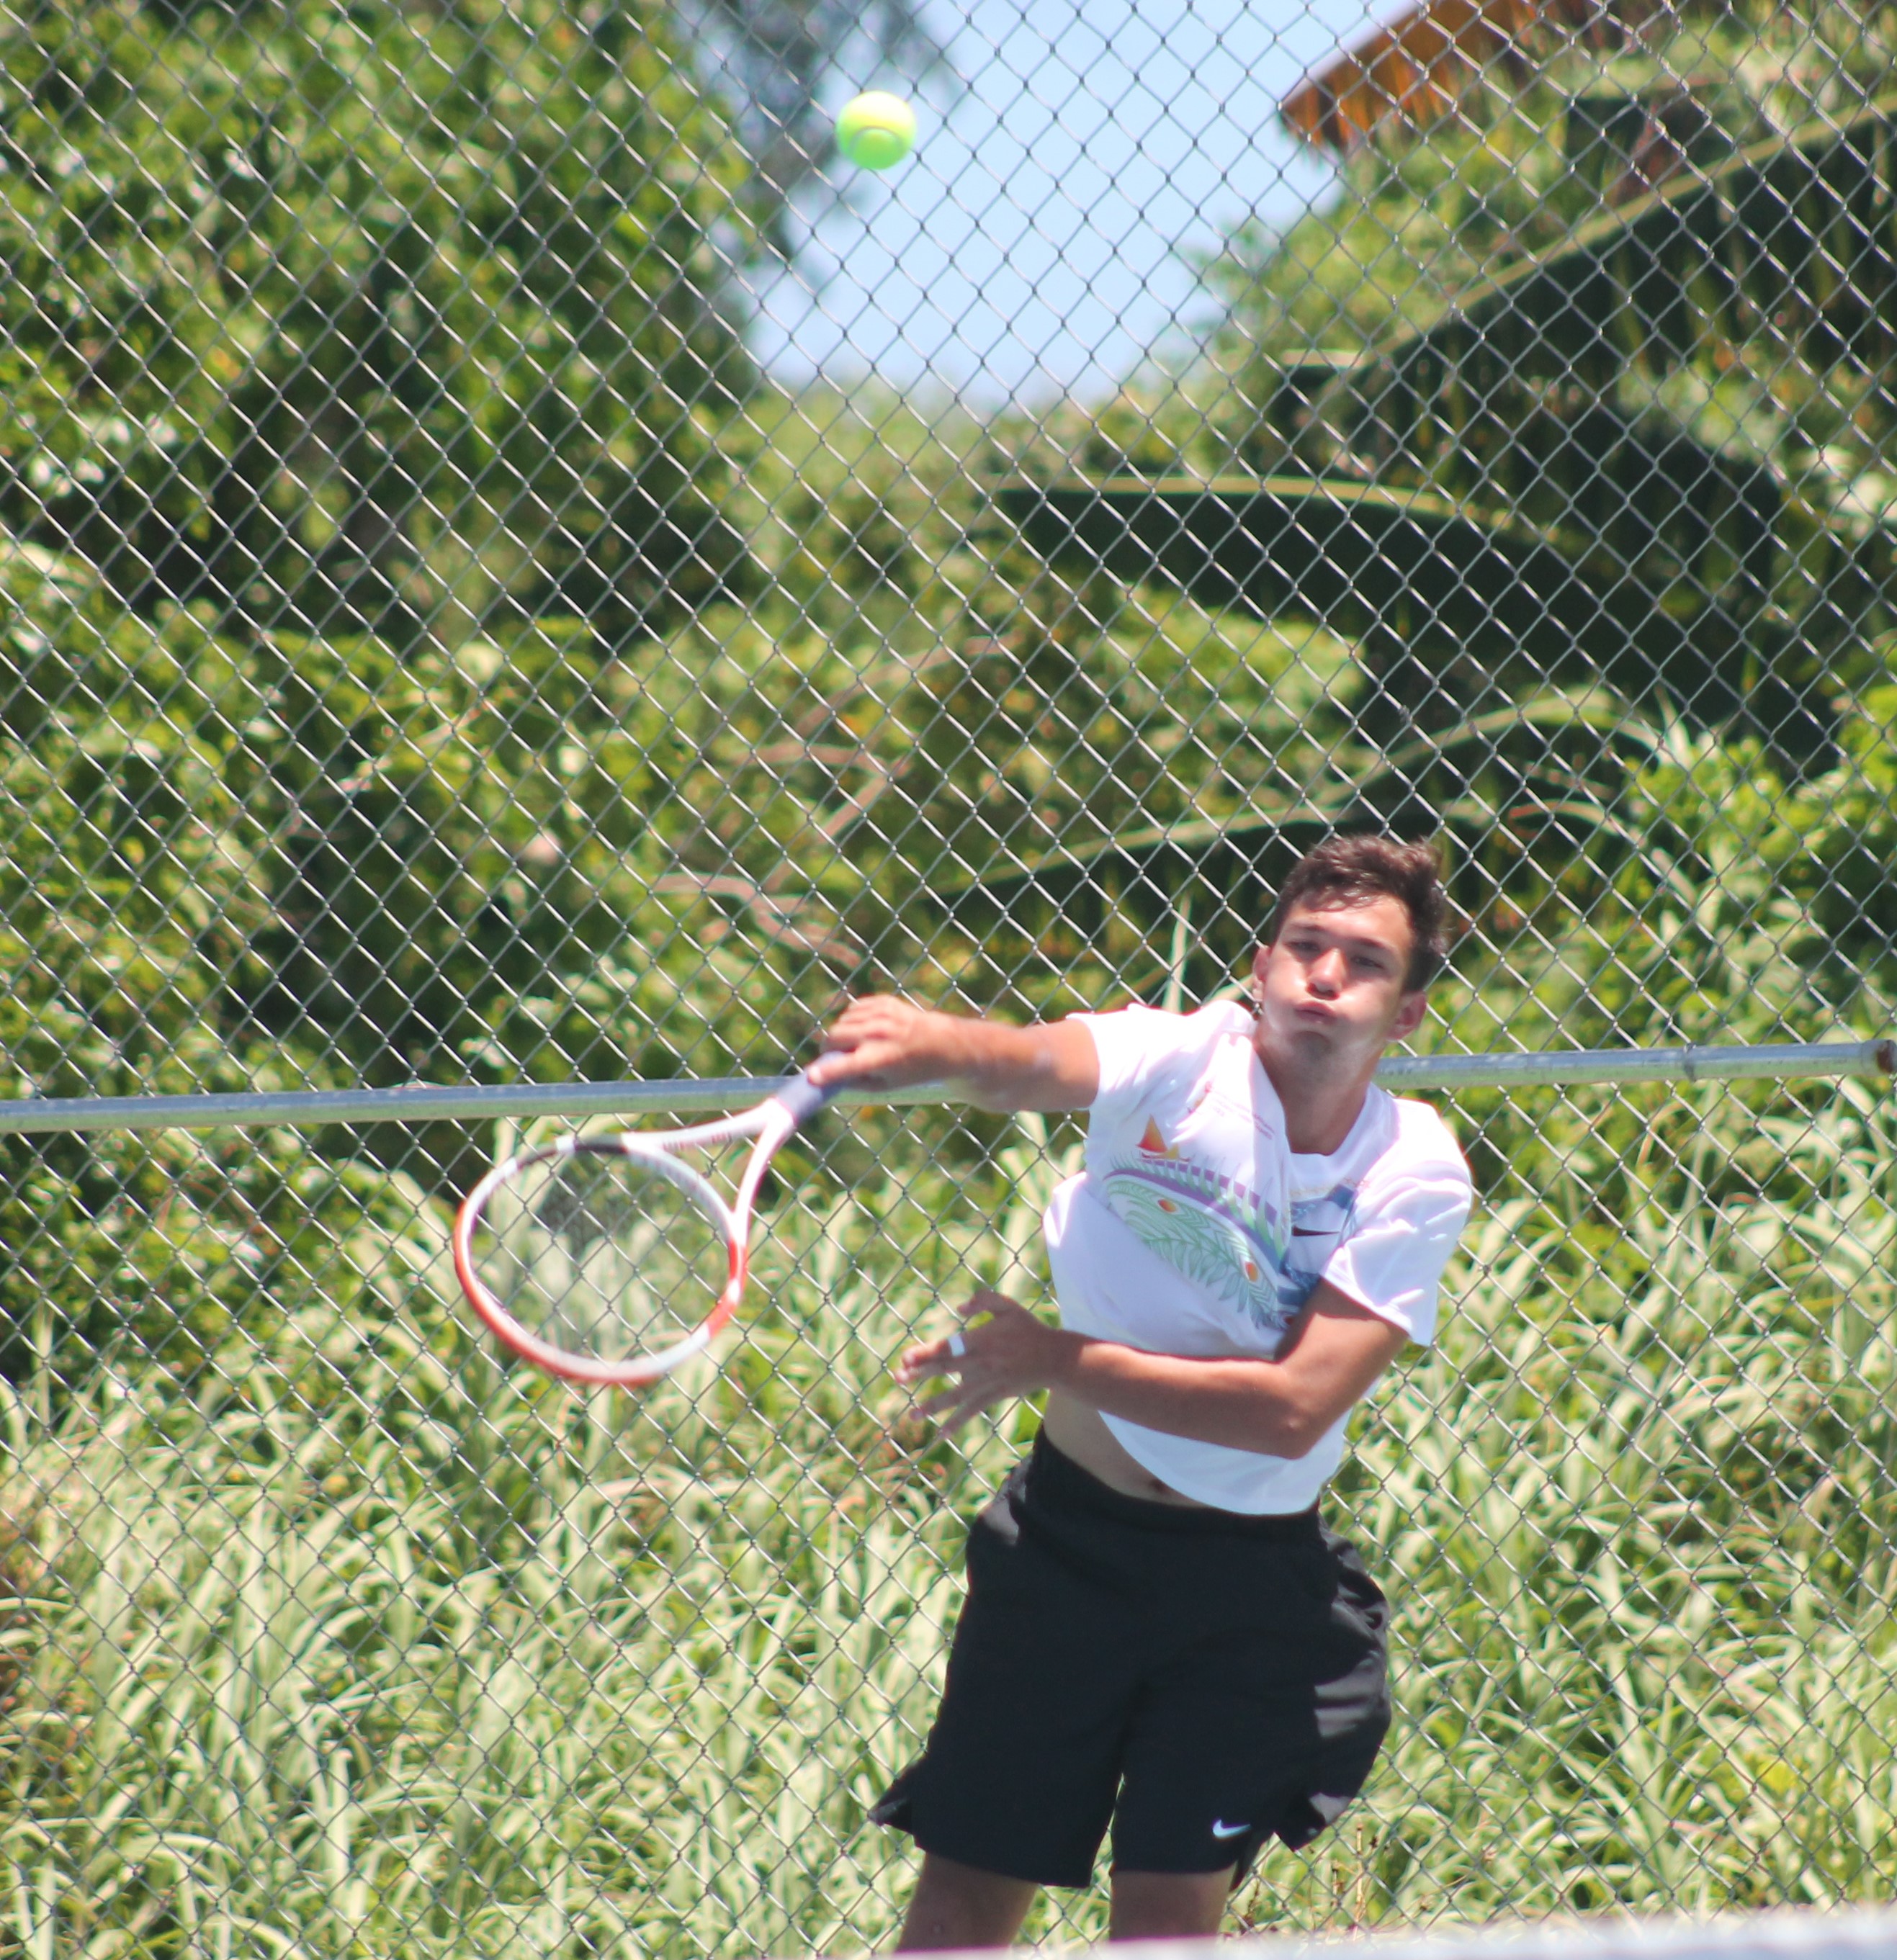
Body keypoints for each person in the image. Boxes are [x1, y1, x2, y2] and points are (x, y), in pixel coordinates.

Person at [805, 835, 1474, 1949]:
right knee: (967, 1895)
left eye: (1361, 960)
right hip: (1066, 1551)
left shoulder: (1412, 1169)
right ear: (1259, 967)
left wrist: (1052, 1357)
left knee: (1165, 1919)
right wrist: (932, 1044)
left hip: (1249, 1585)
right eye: (1305, 946)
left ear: (1402, 1015)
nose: (1323, 975)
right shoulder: (1175, 1057)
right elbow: (1025, 1059)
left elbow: (1290, 1410)